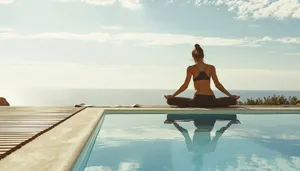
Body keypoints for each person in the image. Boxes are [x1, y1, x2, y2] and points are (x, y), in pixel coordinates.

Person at [164, 44, 240, 108]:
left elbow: (185, 85)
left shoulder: (191, 68)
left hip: (198, 100)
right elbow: (217, 84)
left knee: (170, 100)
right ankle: (230, 99)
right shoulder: (211, 67)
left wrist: (173, 96)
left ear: (193, 57)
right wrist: (230, 96)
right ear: (203, 56)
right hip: (211, 100)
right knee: (233, 101)